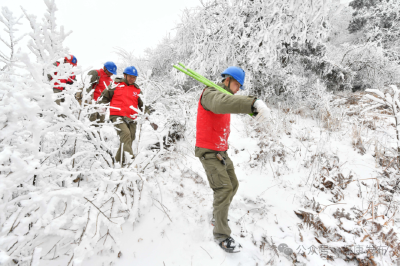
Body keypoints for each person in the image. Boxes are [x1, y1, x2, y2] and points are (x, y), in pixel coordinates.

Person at [195, 66, 270, 253]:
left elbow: (229, 102)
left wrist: (253, 110)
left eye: (239, 86)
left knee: (233, 184)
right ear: (227, 80)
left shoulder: (224, 95)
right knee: (224, 189)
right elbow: (222, 103)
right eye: (237, 84)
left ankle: (217, 216)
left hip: (221, 150)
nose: (238, 89)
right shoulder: (211, 93)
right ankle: (221, 235)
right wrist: (252, 103)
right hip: (208, 151)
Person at [97, 66, 145, 165]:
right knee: (126, 135)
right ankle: (132, 163)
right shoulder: (115, 85)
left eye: (134, 77)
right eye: (130, 76)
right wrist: (102, 106)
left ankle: (117, 163)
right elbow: (104, 96)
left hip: (132, 118)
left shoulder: (137, 90)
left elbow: (143, 105)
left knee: (129, 139)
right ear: (125, 75)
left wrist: (150, 113)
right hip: (117, 116)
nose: (132, 79)